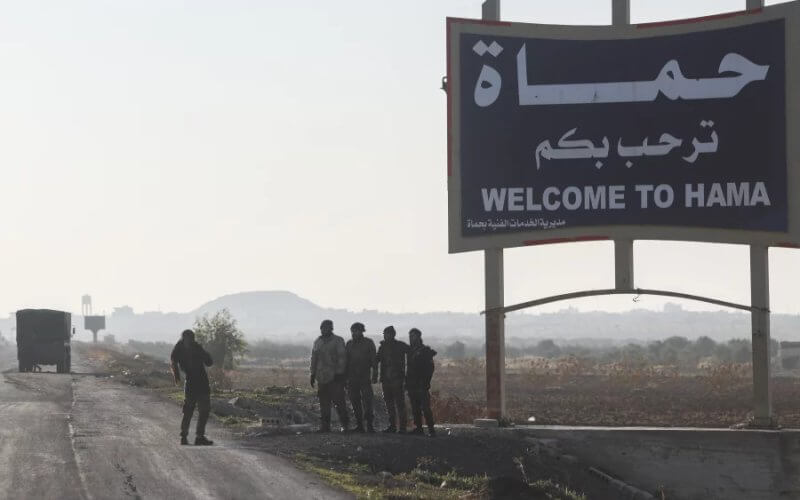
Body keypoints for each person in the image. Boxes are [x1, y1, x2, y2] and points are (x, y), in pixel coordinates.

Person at [170, 329, 214, 446]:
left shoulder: (180, 348)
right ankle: (192, 436)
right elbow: (209, 361)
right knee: (195, 410)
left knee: (194, 410)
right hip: (197, 382)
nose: (189, 341)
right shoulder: (192, 347)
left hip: (196, 383)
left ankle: (190, 436)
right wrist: (177, 376)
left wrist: (177, 377)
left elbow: (208, 361)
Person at [310, 319, 350, 433]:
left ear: (331, 328)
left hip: (335, 377)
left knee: (339, 402)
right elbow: (314, 359)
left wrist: (339, 373)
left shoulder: (338, 341)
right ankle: (325, 426)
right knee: (324, 403)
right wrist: (312, 374)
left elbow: (342, 358)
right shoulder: (318, 341)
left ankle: (345, 425)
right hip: (322, 377)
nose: (324, 330)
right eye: (322, 328)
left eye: (326, 327)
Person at [345, 322, 378, 433]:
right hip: (352, 378)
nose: (354, 333)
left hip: (364, 377)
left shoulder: (368, 343)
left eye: (356, 331)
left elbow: (374, 360)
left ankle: (369, 425)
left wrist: (375, 374)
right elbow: (346, 362)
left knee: (367, 402)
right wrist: (345, 378)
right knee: (355, 402)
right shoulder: (349, 344)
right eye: (352, 331)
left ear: (361, 331)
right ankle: (360, 425)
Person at [375, 325, 409, 434]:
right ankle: (393, 426)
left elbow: (412, 352)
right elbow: (376, 359)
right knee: (389, 404)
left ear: (392, 335)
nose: (385, 336)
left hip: (397, 379)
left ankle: (402, 427)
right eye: (385, 334)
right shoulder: (383, 347)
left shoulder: (400, 346)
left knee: (399, 404)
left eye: (387, 334)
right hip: (386, 379)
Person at [405, 328, 437, 437]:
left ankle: (431, 429)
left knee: (425, 408)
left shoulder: (424, 351)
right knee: (415, 408)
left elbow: (430, 368)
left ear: (418, 337)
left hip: (421, 384)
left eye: (413, 336)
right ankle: (418, 428)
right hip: (412, 384)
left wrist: (426, 382)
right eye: (410, 336)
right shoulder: (411, 351)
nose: (411, 338)